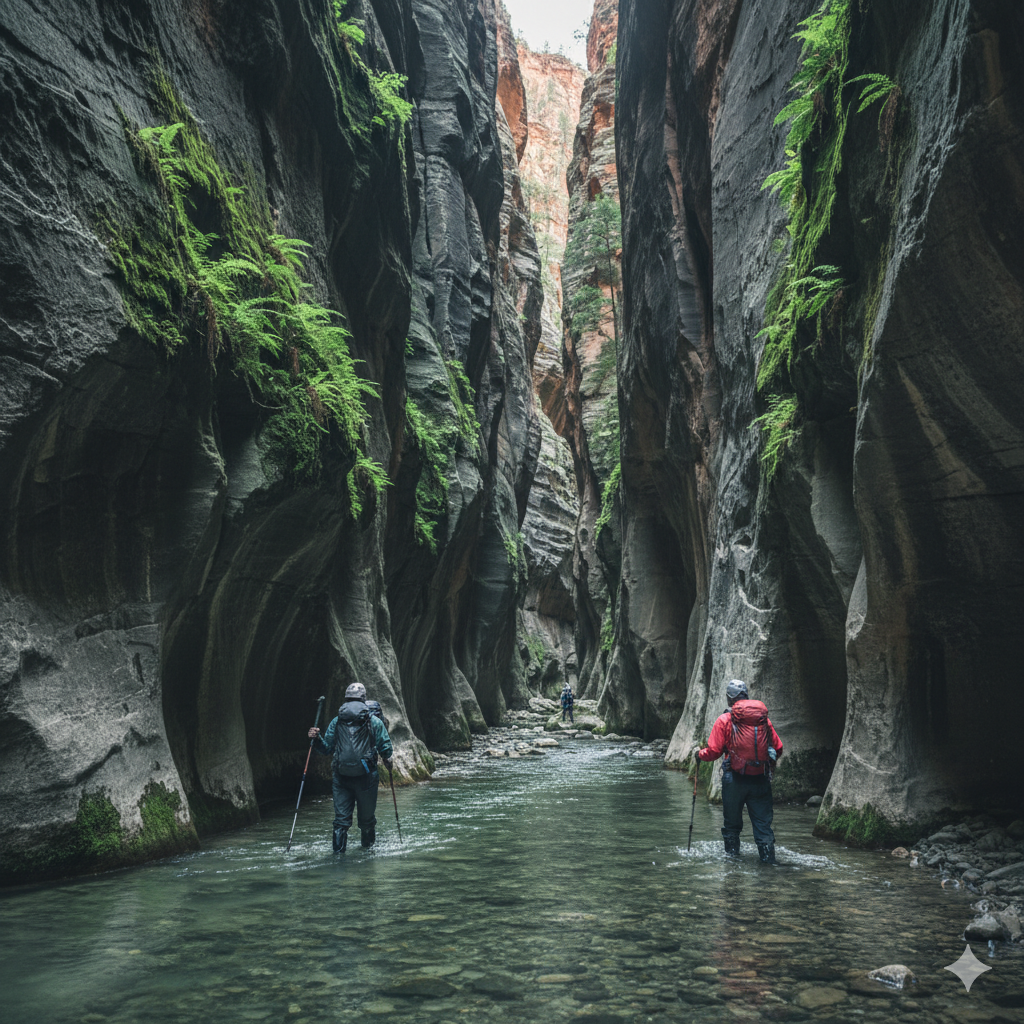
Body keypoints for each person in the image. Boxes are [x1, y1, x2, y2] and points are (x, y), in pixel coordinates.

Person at [693, 679, 783, 864]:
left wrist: (699, 754)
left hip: (734, 780)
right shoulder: (763, 720)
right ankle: (769, 868)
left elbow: (714, 751)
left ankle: (732, 869)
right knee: (763, 828)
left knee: (732, 827)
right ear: (746, 696)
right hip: (760, 780)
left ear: (729, 698)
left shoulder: (725, 720)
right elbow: (778, 748)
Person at [309, 682, 394, 853]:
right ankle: (367, 857)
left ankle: (338, 860)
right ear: (363, 699)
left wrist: (316, 739)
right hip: (367, 777)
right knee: (367, 820)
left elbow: (327, 749)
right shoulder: (375, 721)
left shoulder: (337, 721)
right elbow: (386, 748)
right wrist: (387, 761)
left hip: (341, 777)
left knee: (341, 821)